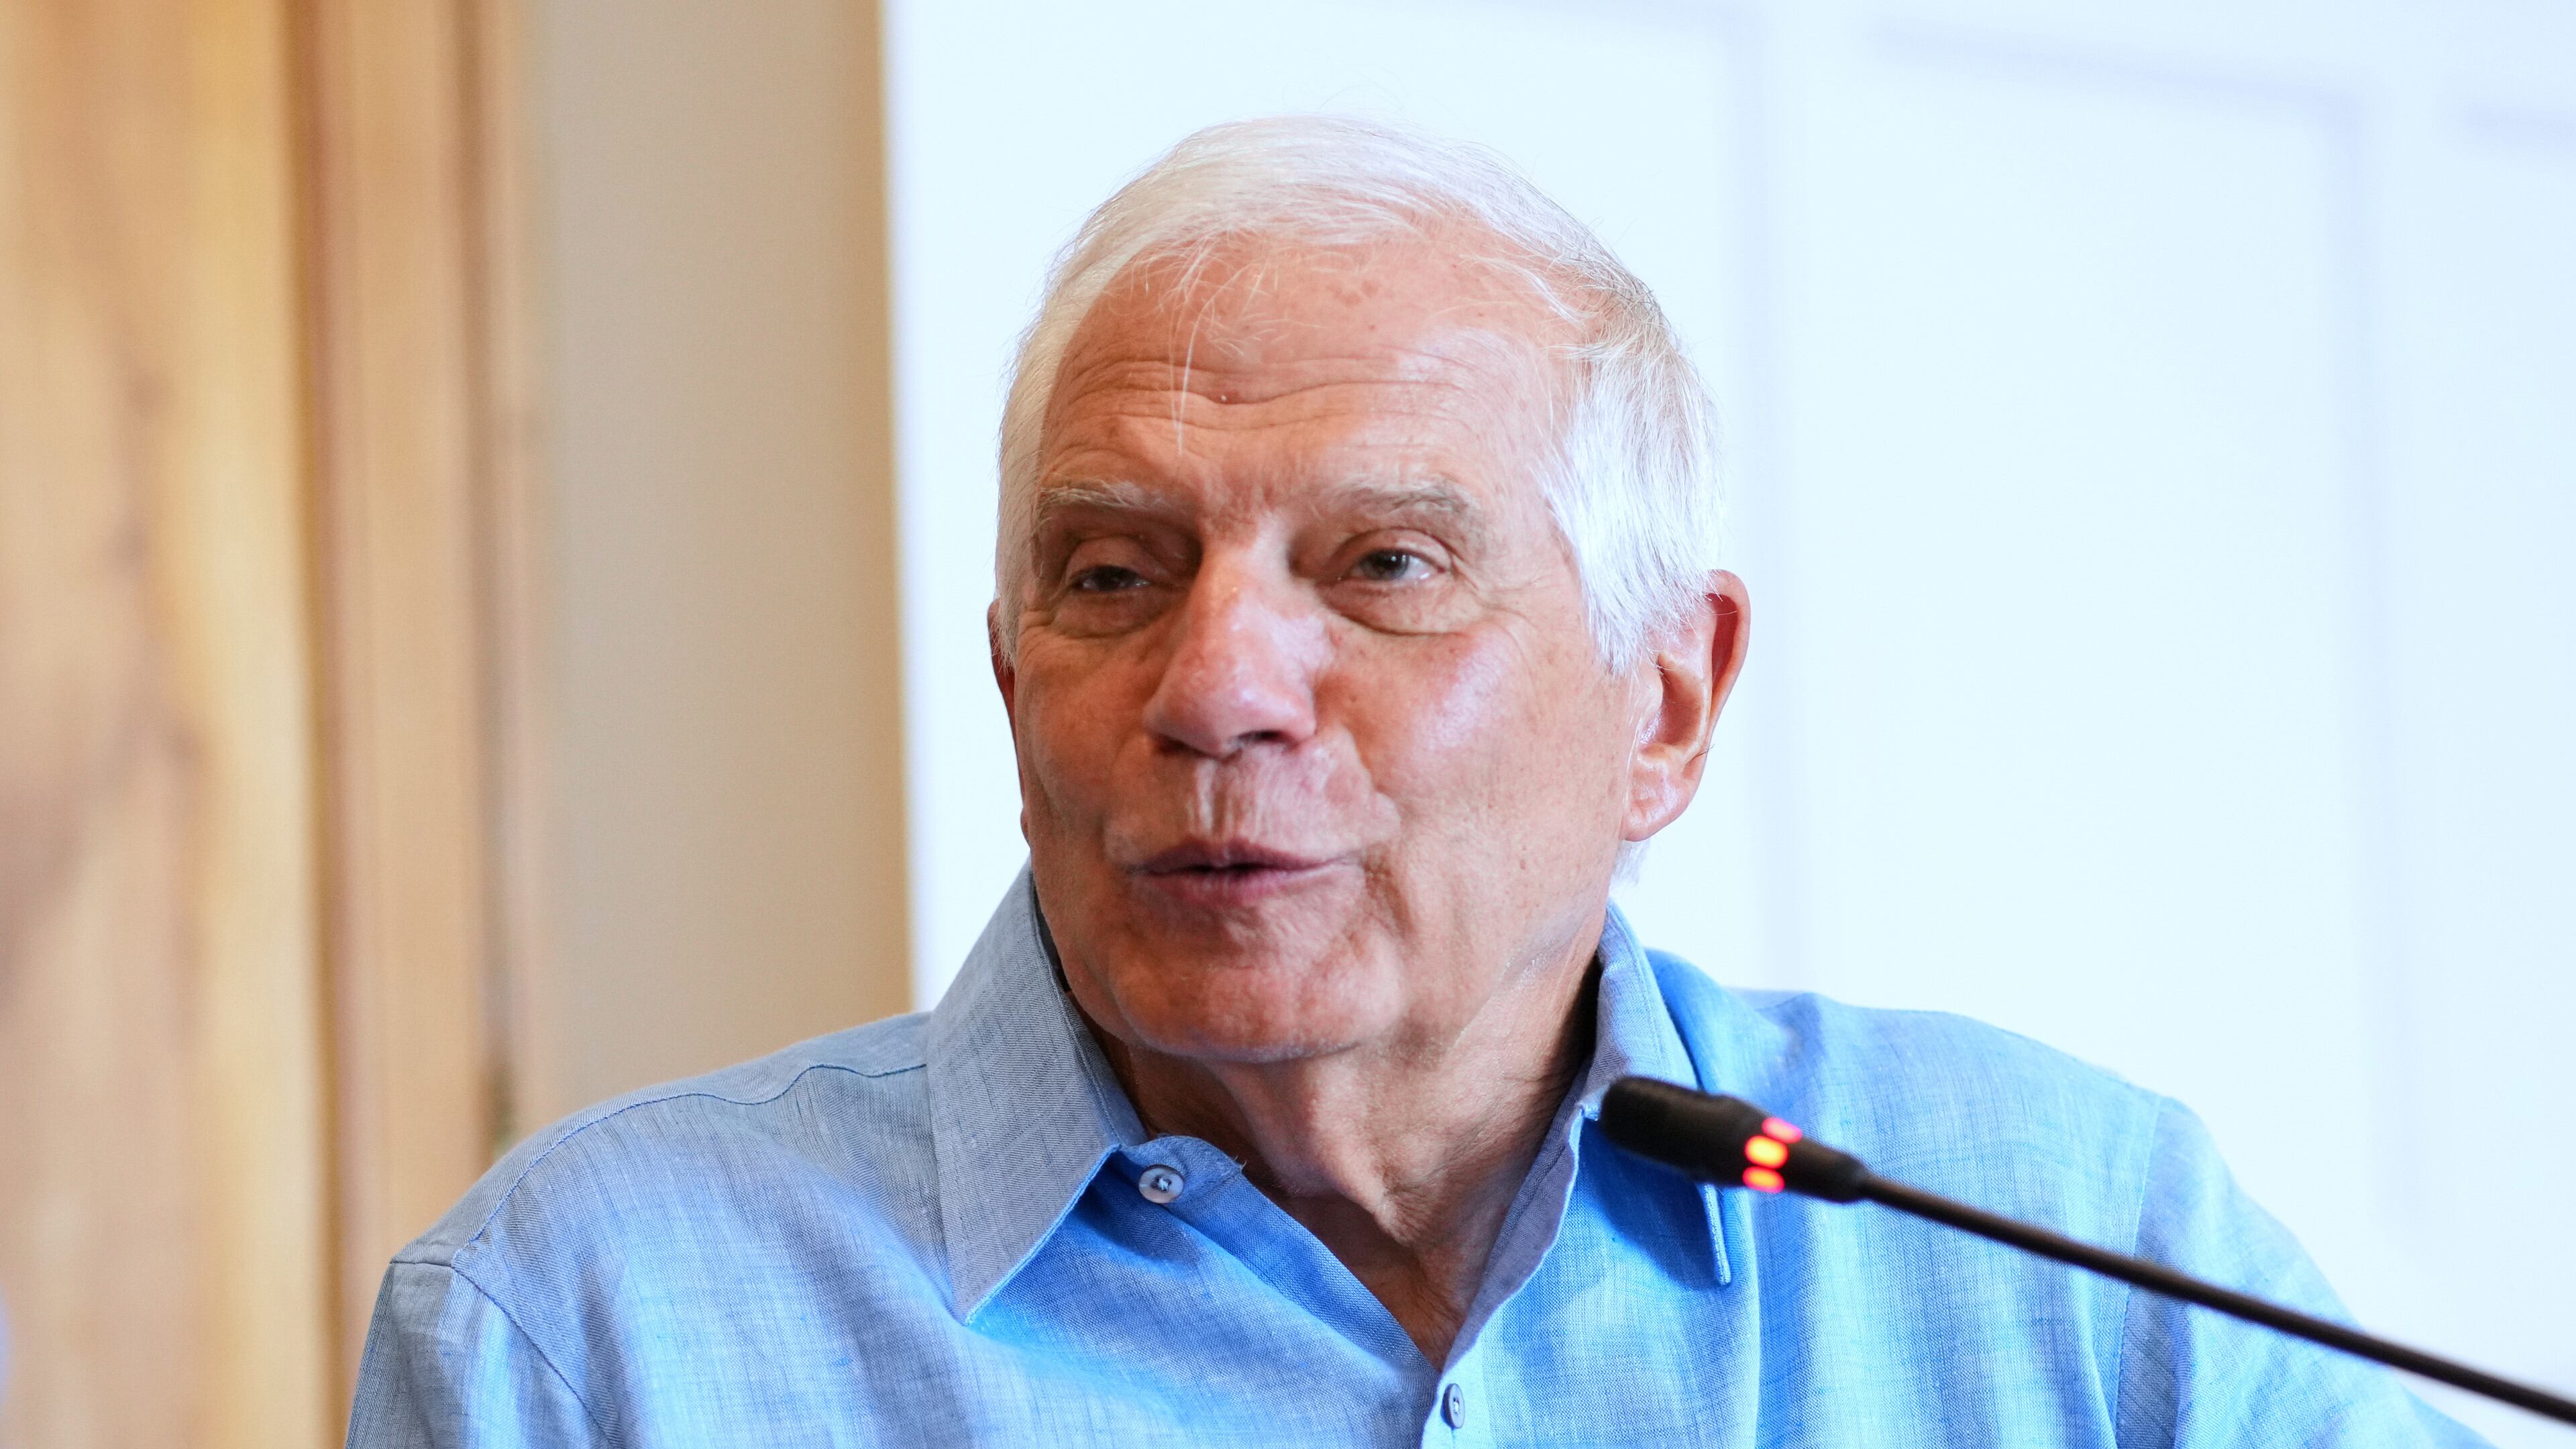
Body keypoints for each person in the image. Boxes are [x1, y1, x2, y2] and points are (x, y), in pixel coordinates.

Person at [347, 116, 2482, 1446]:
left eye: (1383, 568)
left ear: (1668, 703)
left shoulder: (2067, 1249)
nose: (1217, 691)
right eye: (1115, 575)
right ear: (1012, 687)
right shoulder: (586, 1335)